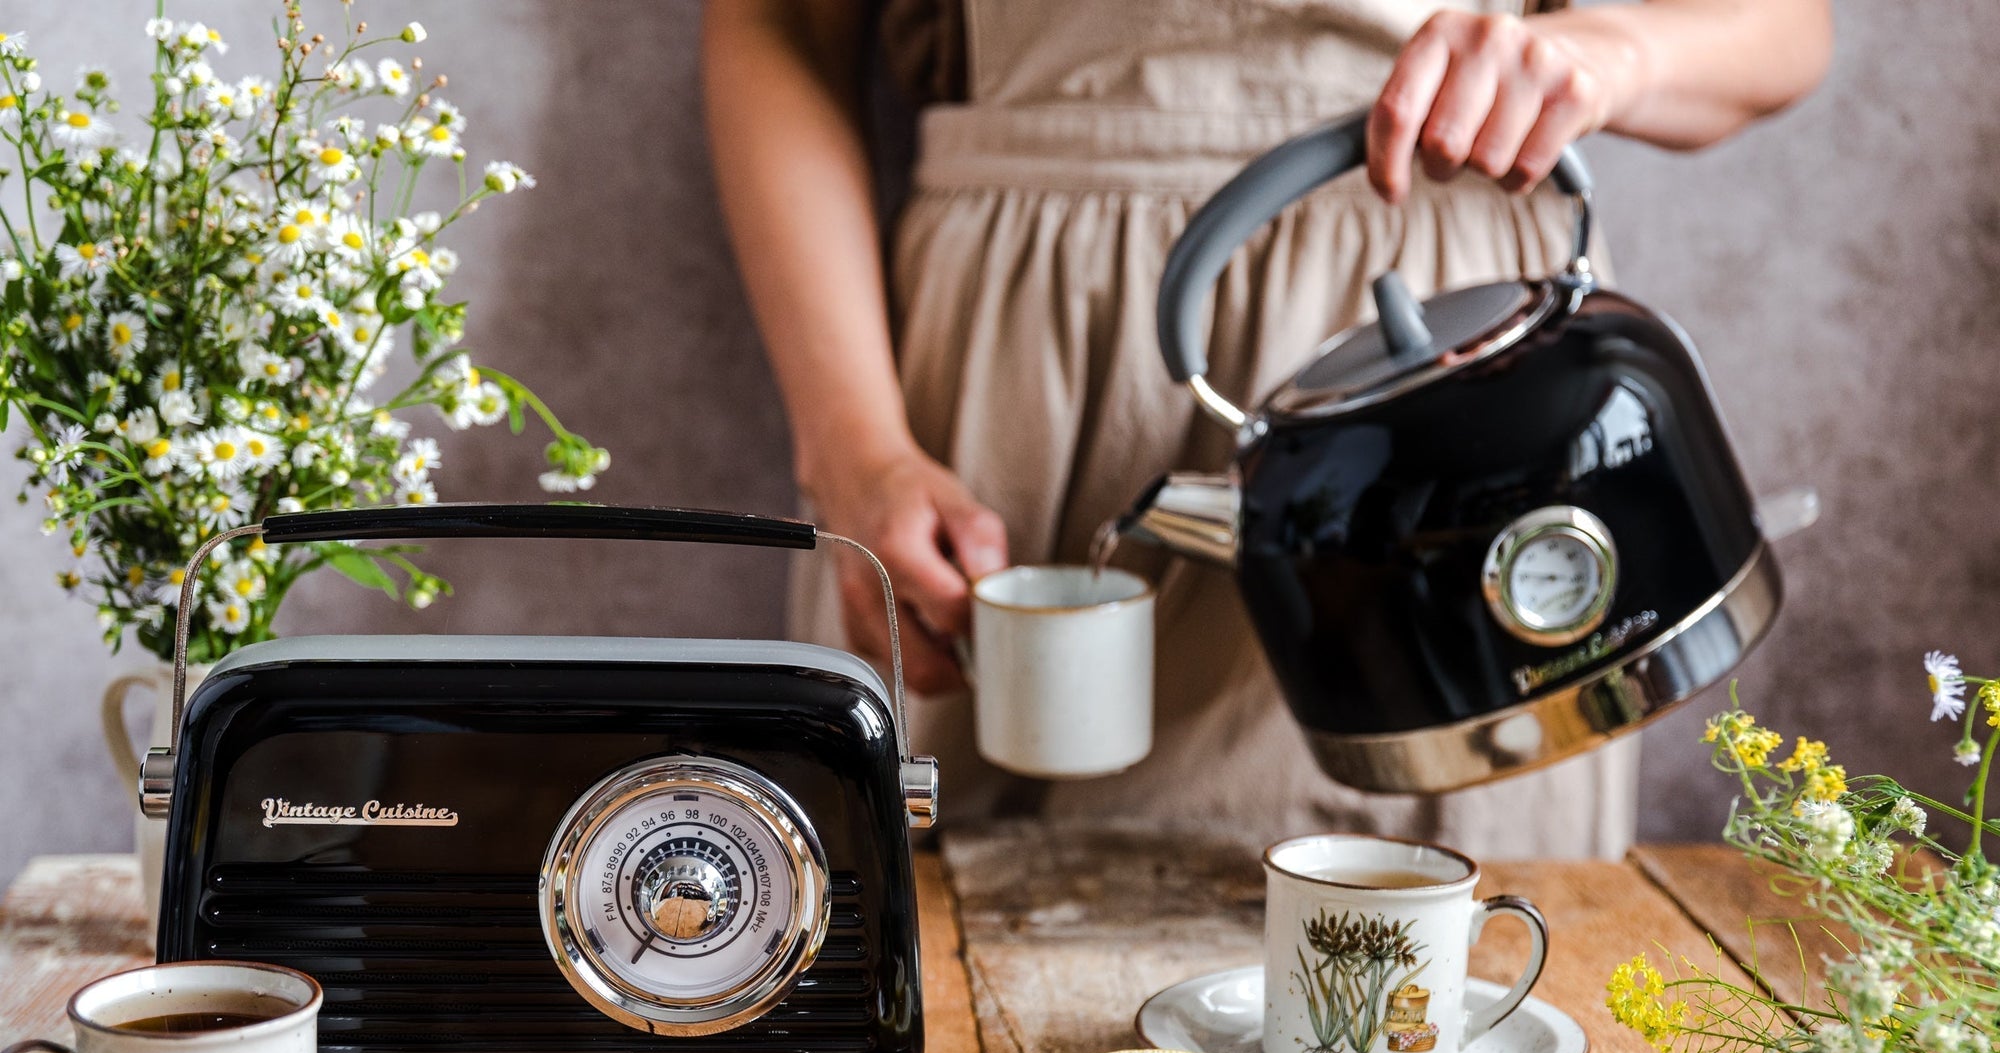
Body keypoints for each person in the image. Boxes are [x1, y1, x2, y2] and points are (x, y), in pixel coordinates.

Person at [702, 0, 1832, 856]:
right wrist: (854, 450)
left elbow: (1781, 28)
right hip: (1018, 381)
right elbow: (777, 21)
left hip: (1466, 385)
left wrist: (1608, 53)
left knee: (1463, 990)